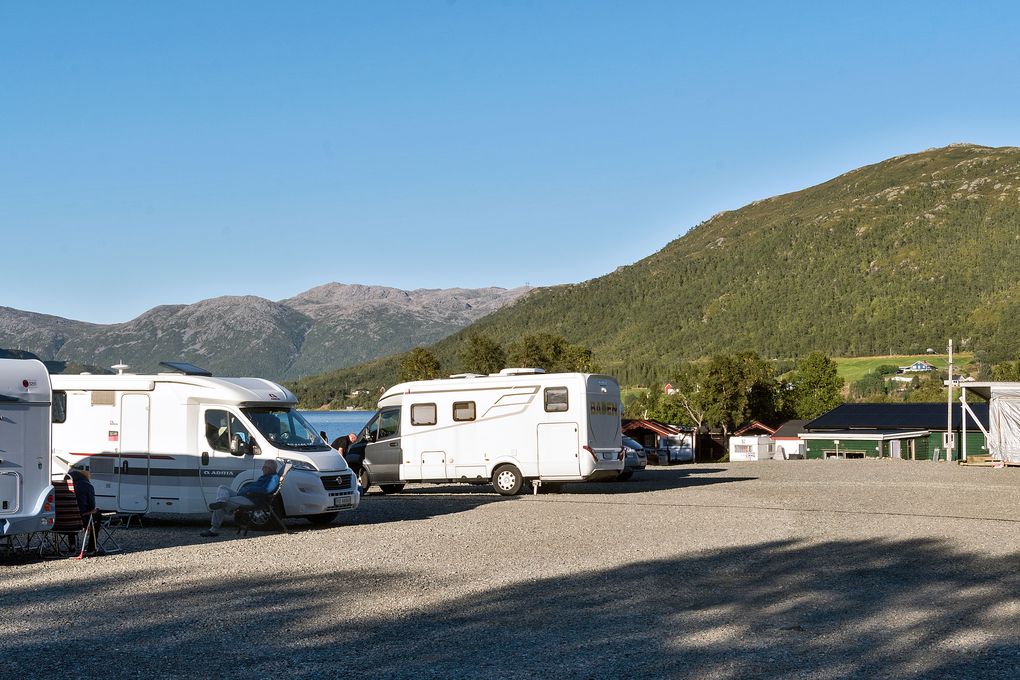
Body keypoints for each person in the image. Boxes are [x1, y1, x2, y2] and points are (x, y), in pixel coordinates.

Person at [200, 459, 280, 537]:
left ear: (270, 469)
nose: (262, 469)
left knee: (224, 503)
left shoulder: (273, 478)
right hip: (245, 496)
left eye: (264, 467)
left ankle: (214, 529)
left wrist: (249, 489)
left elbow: (266, 490)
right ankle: (222, 502)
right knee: (222, 488)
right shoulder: (266, 476)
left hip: (252, 499)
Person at [68, 469, 104, 555]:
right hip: (81, 520)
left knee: (70, 513)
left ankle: (72, 546)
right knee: (97, 515)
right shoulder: (87, 486)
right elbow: (92, 506)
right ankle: (91, 548)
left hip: (61, 522)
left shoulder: (63, 485)